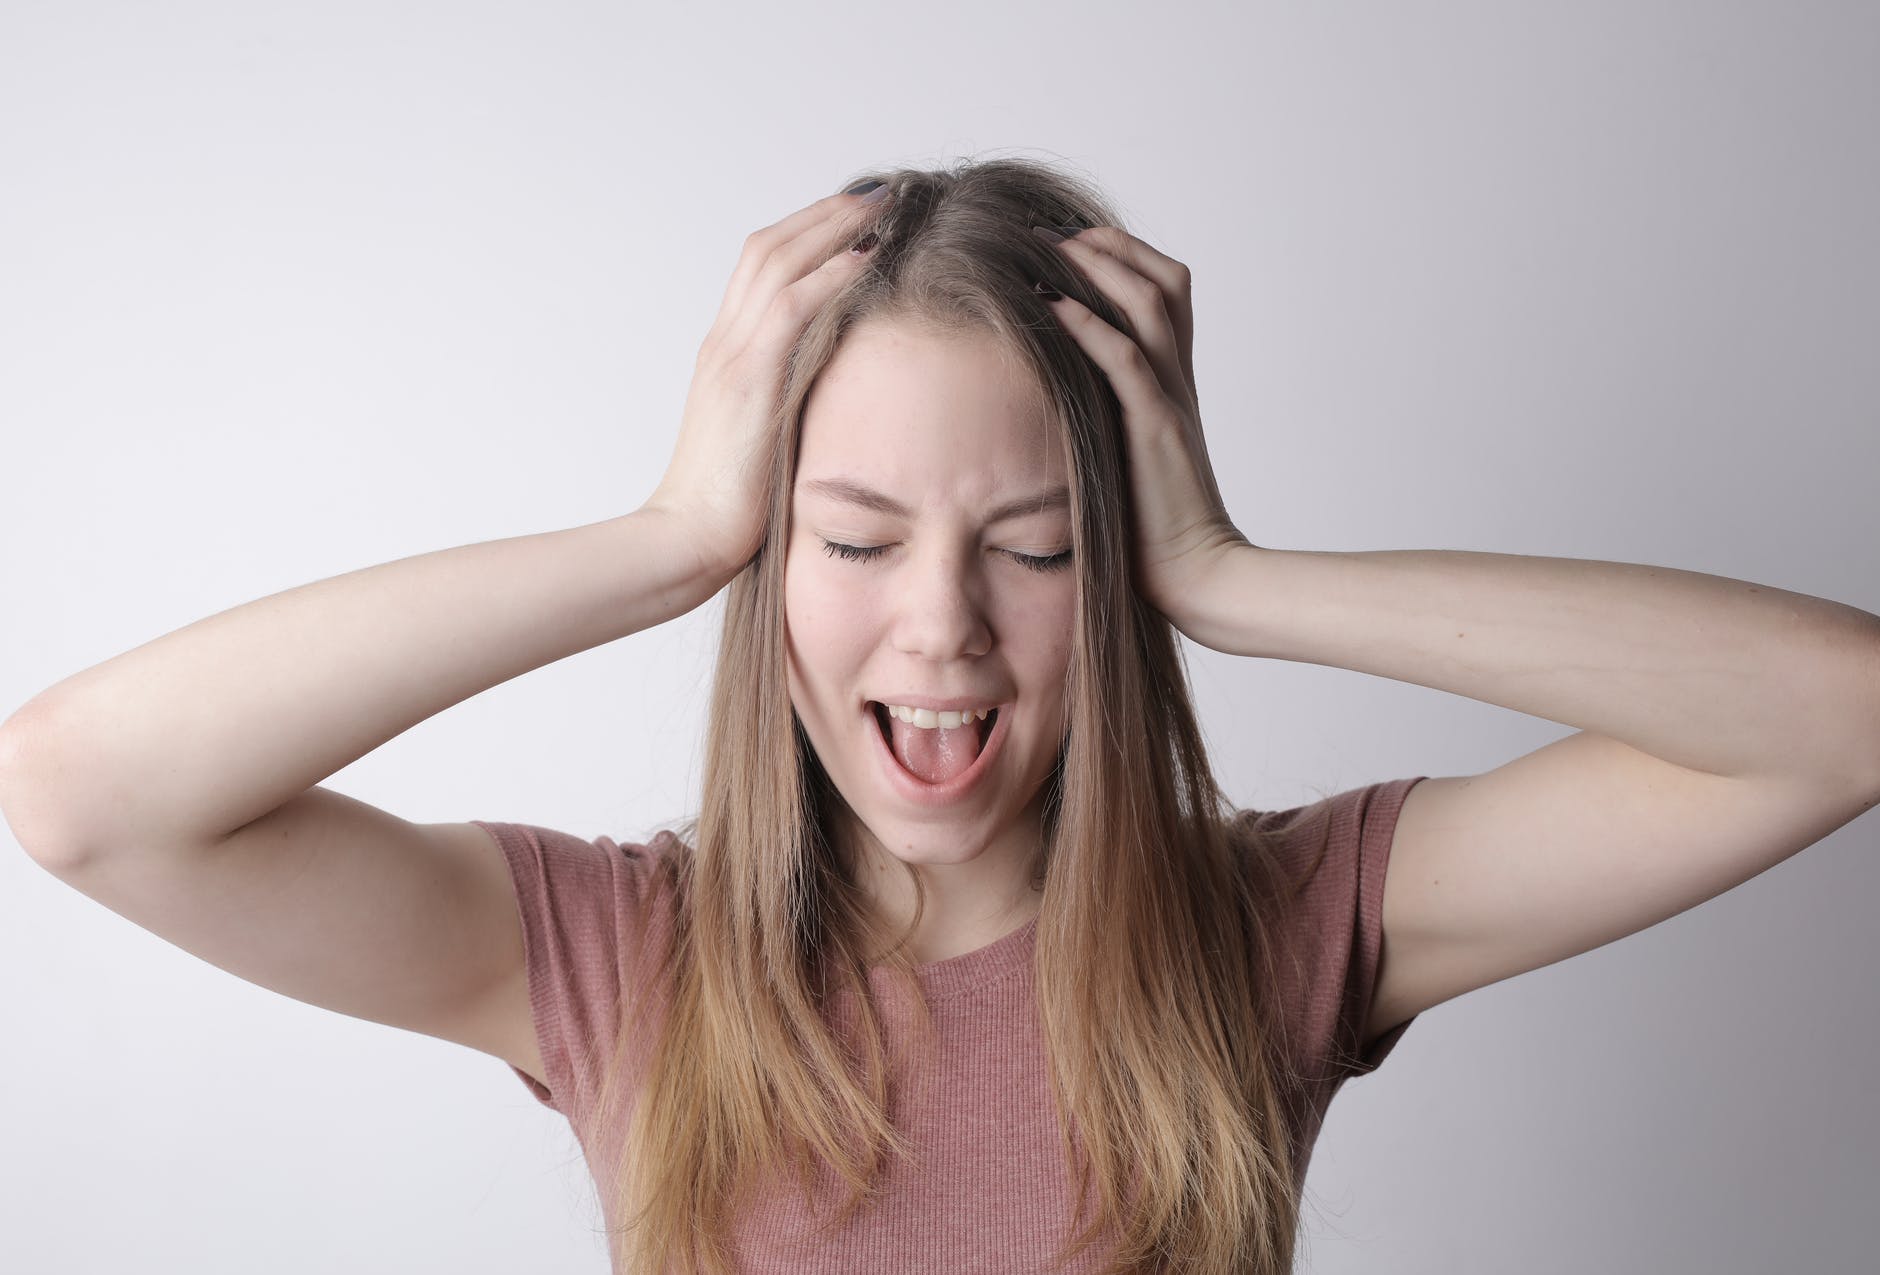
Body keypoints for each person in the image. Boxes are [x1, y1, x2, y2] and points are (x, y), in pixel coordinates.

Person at [7, 157, 1879, 1275]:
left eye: (1040, 549)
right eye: (851, 537)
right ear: (769, 563)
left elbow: (1840, 715)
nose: (942, 630)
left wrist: (1229, 577)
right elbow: (83, 793)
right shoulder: (612, 958)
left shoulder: (1278, 929)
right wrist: (661, 539)